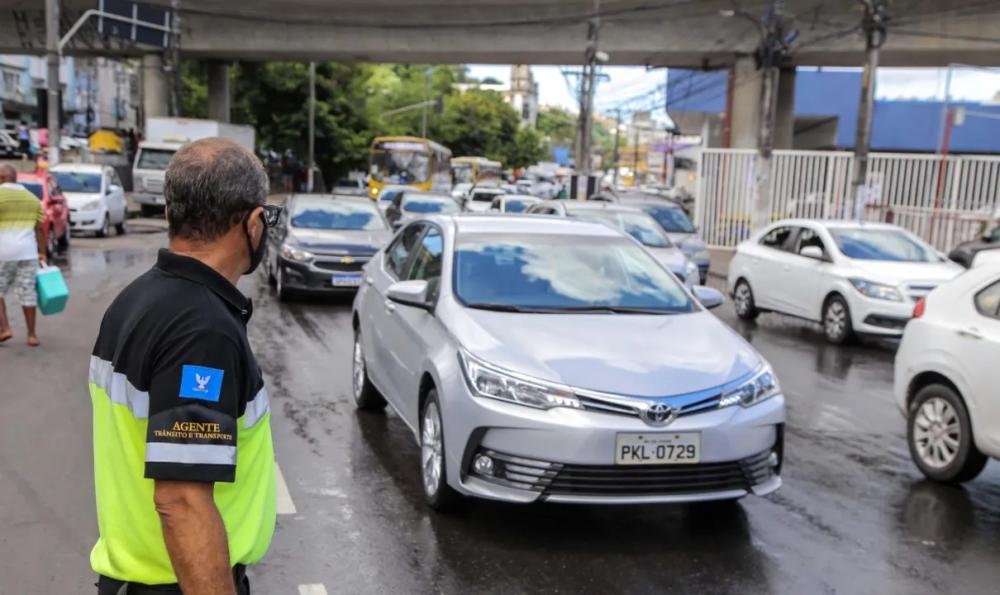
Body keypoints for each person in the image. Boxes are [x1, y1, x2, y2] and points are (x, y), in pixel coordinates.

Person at [90, 138, 279, 594]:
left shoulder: (138, 298)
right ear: (253, 224)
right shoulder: (201, 330)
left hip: (134, 578)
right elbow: (182, 500)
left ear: (170, 214)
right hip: (176, 583)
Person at [0, 164, 46, 346]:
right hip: (28, 252)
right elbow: (40, 229)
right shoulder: (32, 199)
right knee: (28, 292)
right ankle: (32, 335)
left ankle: (4, 328)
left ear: (2, 178)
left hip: (3, 252)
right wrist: (42, 252)